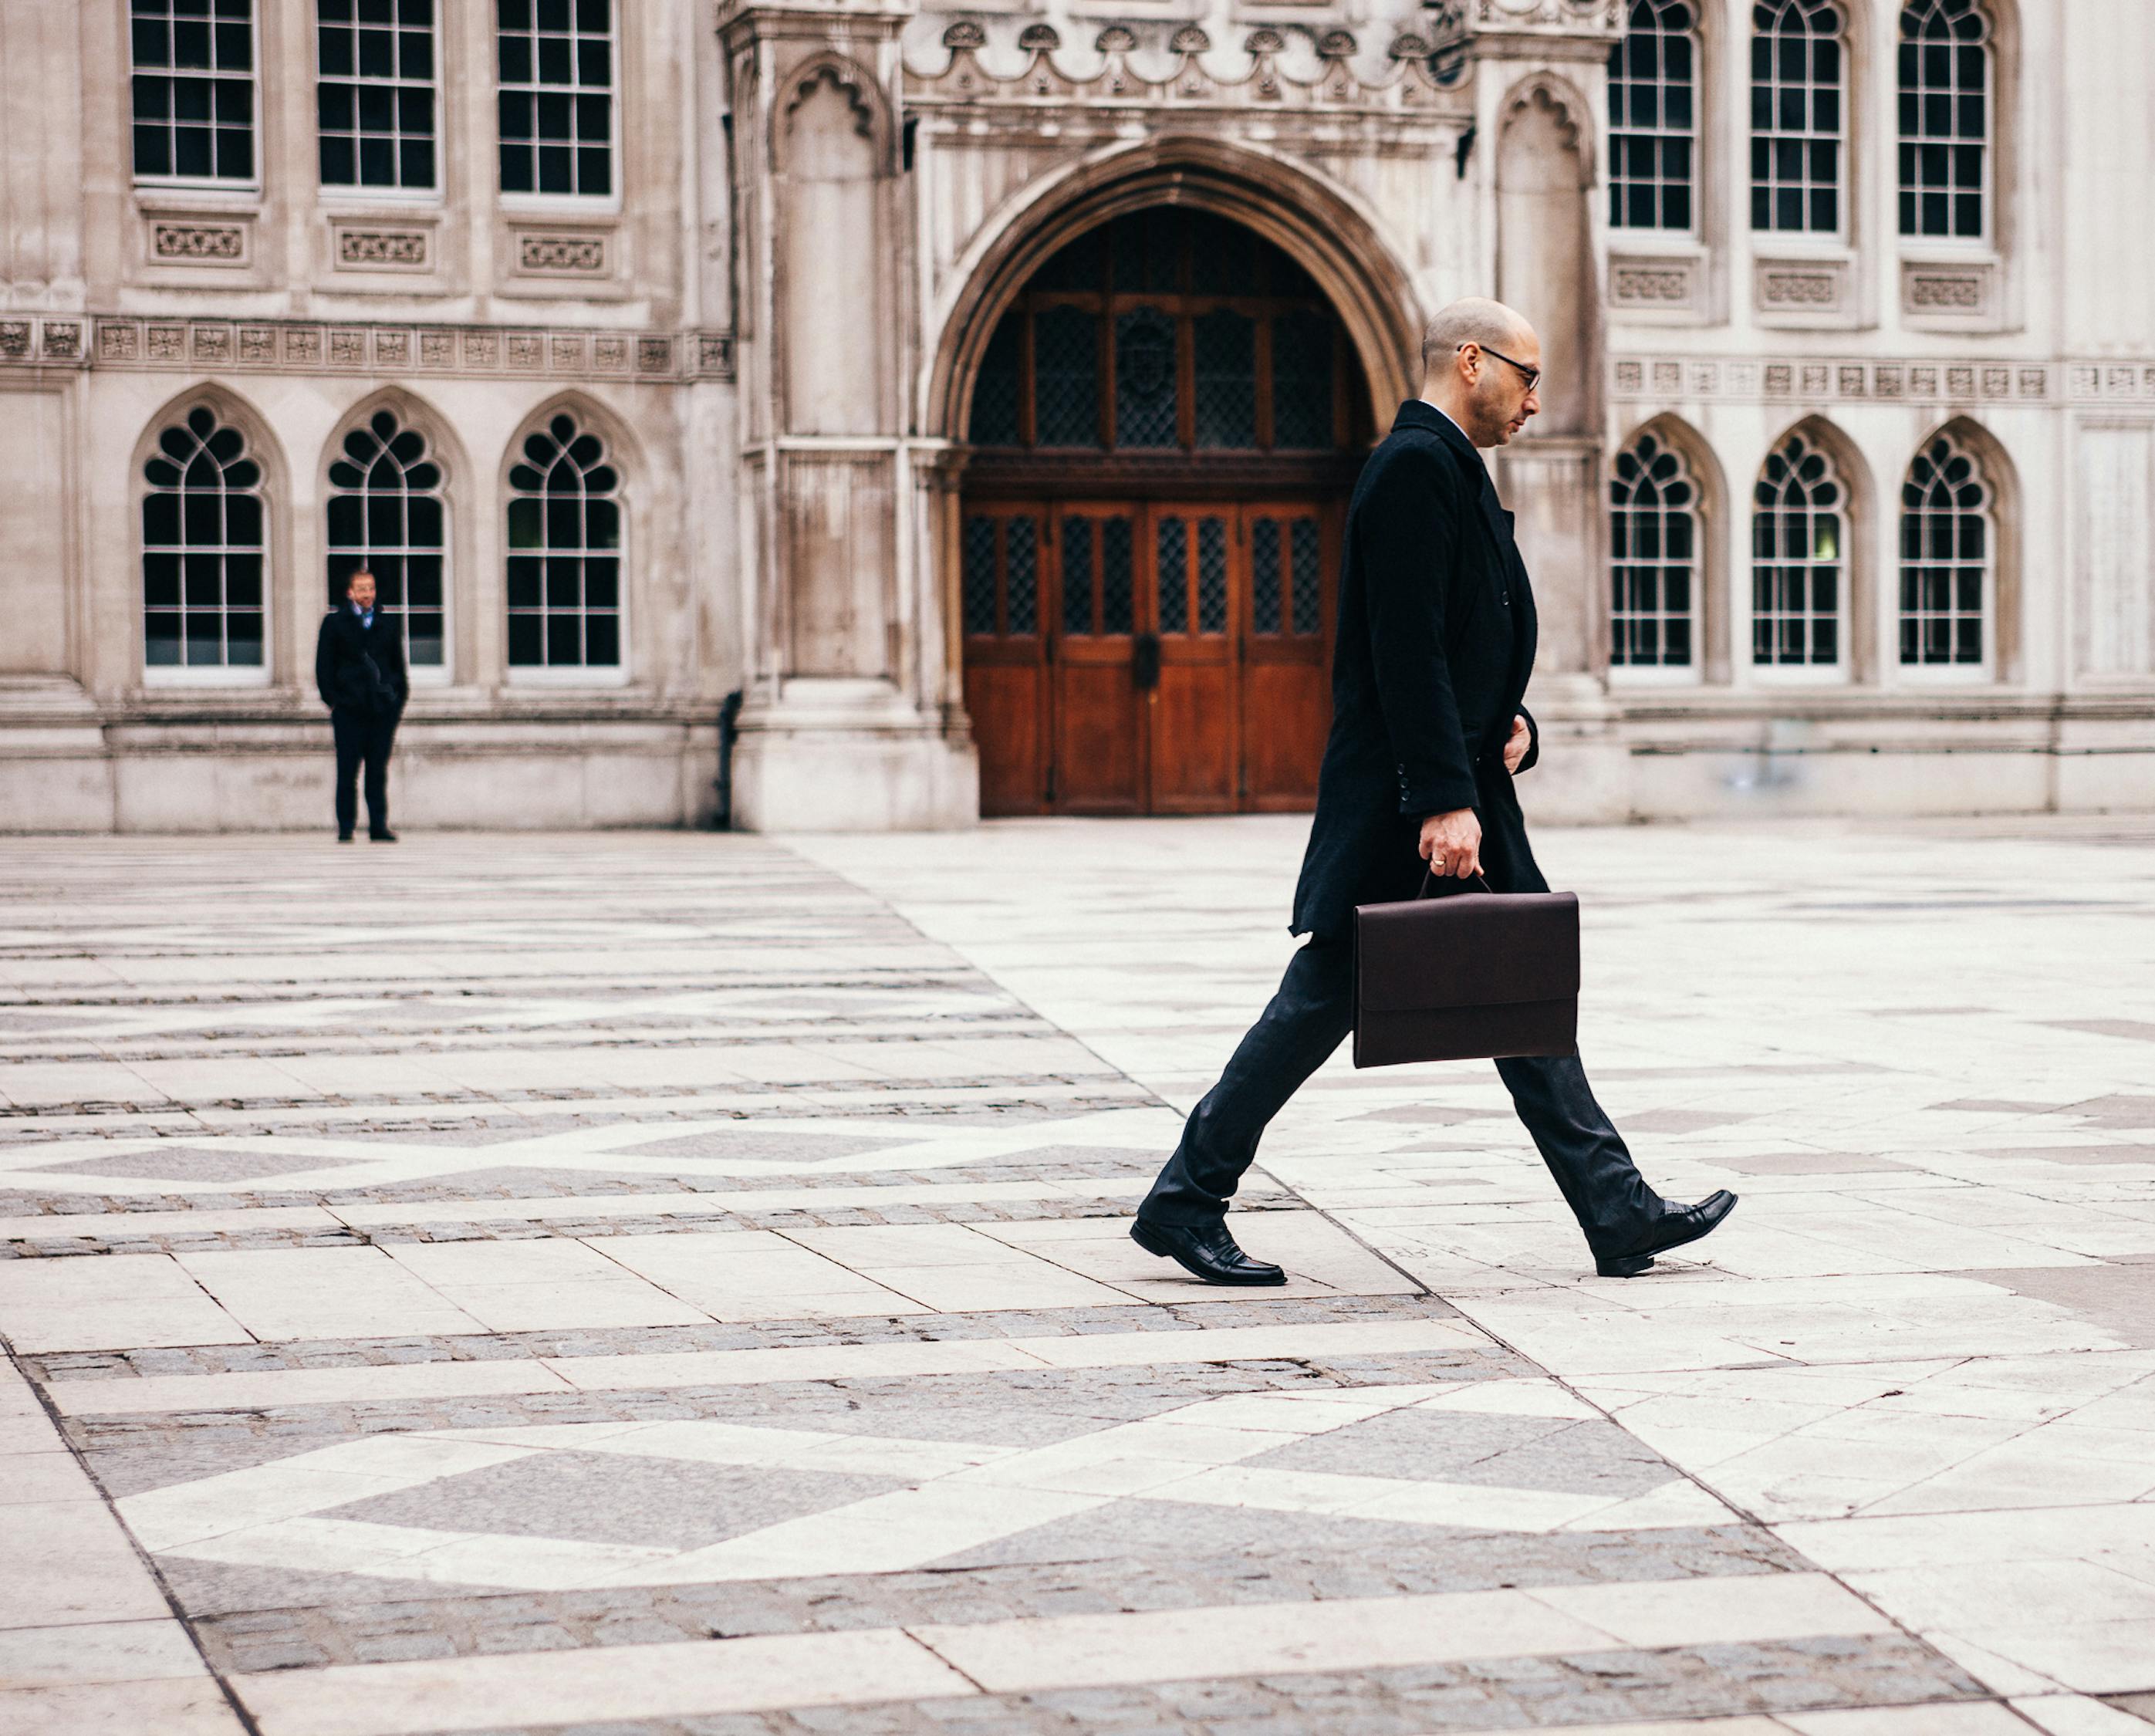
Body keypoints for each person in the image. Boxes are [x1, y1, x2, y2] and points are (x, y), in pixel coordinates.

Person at [1131, 298, 1736, 1286]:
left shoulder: (1447, 468)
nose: (1537, 401)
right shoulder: (1415, 466)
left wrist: (1519, 725)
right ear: (1470, 361)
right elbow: (1403, 652)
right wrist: (1442, 800)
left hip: (1455, 787)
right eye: (1527, 377)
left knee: (1518, 989)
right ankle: (1186, 1197)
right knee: (1335, 997)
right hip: (1420, 805)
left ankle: (1617, 1209)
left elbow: (1463, 645)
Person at [315, 566, 407, 843]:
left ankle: (378, 826)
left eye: (371, 588)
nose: (367, 594)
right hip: (348, 709)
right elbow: (324, 666)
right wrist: (334, 701)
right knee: (347, 771)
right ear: (350, 592)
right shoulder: (334, 624)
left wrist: (396, 702)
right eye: (362, 589)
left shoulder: (388, 623)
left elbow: (398, 667)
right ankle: (346, 827)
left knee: (377, 770)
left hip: (381, 709)